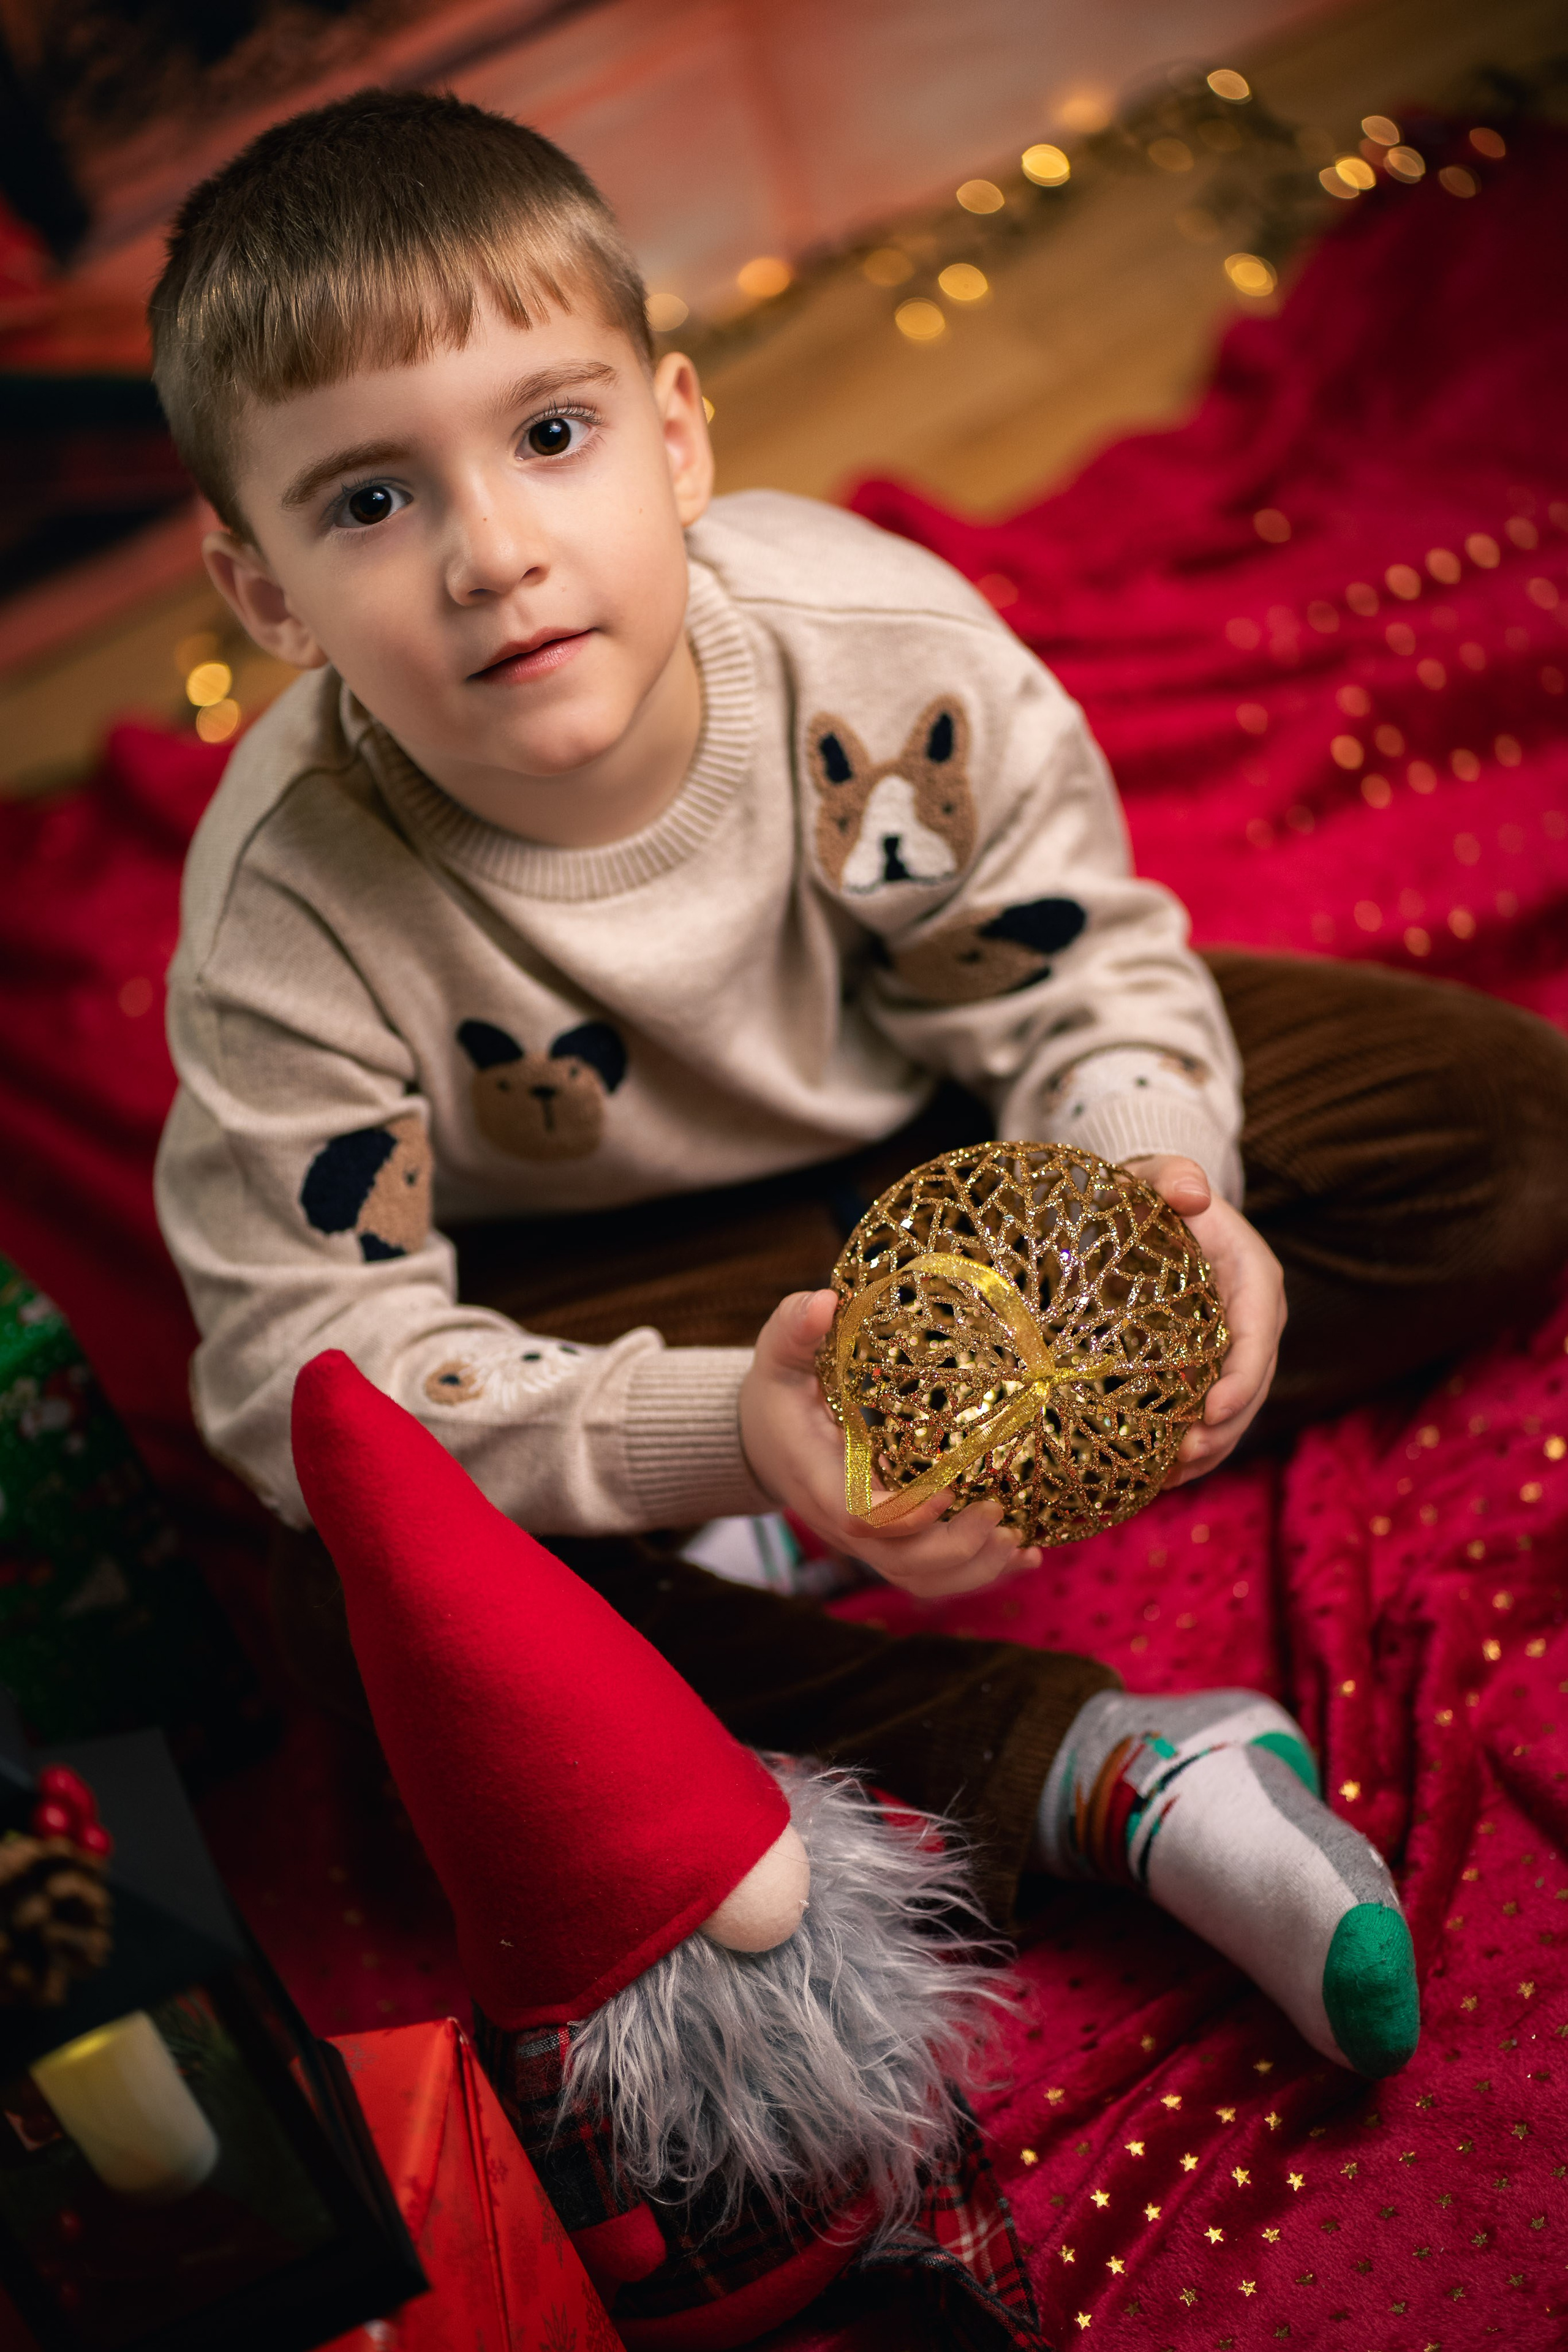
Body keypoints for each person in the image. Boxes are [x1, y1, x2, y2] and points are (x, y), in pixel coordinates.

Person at [150, 91, 1567, 2071]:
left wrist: (1168, 1197)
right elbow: (295, 1367)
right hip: (615, 1293)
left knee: (1501, 1131)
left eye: (550, 438)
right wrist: (721, 1426)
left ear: (676, 435)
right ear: (266, 595)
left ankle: (900, 1459)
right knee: (359, 1610)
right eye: (368, 501)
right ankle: (1098, 1773)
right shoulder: (285, 906)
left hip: (942, 1129)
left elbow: (1080, 972)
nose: (493, 555)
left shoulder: (870, 638)